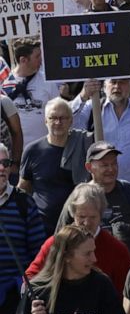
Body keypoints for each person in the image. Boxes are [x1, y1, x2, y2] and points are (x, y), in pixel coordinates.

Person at [25, 183, 130, 296]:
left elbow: (124, 295)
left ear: (101, 216)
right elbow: (30, 277)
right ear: (73, 214)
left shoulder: (117, 250)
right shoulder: (56, 243)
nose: (87, 223)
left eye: (92, 217)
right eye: (81, 217)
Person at [56, 141, 130, 262]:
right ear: (89, 167)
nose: (111, 169)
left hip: (128, 271)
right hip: (88, 270)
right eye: (104, 165)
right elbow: (61, 237)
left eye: (114, 163)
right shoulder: (78, 197)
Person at [71, 78, 130, 201]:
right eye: (113, 82)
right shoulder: (93, 107)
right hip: (98, 191)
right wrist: (82, 96)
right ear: (104, 86)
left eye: (122, 82)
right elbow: (69, 124)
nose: (117, 87)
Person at [18, 97, 93, 235]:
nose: (58, 122)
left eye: (63, 118)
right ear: (46, 121)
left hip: (77, 228)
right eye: (53, 118)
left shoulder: (83, 147)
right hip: (42, 228)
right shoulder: (32, 151)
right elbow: (23, 189)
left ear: (71, 120)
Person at [22, 225, 126, 314]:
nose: (94, 259)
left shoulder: (102, 285)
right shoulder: (39, 292)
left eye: (93, 251)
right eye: (87, 253)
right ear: (66, 256)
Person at [0, 143, 45, 314]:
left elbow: (38, 254)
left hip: (14, 296)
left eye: (6, 163)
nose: (2, 168)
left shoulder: (24, 202)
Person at [2, 38, 59, 148]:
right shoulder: (5, 83)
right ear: (23, 60)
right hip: (15, 151)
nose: (41, 60)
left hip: (44, 148)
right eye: (37, 56)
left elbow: (58, 111)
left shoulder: (47, 82)